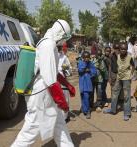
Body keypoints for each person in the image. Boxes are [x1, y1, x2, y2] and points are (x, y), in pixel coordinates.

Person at [11, 19, 75, 147]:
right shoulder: (48, 45)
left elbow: (52, 71)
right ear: (60, 33)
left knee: (59, 123)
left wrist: (67, 85)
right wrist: (61, 101)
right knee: (31, 129)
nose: (64, 40)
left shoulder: (50, 45)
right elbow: (50, 79)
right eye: (65, 37)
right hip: (39, 93)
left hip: (45, 91)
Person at [104, 42, 134, 121]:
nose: (123, 50)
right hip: (118, 78)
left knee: (126, 96)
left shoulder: (130, 57)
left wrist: (131, 74)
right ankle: (113, 110)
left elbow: (133, 66)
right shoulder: (117, 56)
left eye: (125, 49)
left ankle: (127, 113)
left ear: (127, 49)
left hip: (126, 79)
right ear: (119, 50)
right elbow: (112, 66)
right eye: (121, 49)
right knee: (114, 93)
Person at [78, 51, 97, 119]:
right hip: (82, 83)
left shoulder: (91, 63)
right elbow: (80, 70)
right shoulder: (80, 63)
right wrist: (86, 68)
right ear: (83, 57)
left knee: (87, 96)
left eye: (88, 57)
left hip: (88, 83)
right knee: (82, 96)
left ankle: (88, 110)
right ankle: (84, 108)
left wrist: (89, 70)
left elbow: (94, 71)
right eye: (85, 57)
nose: (86, 59)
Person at [57, 44, 73, 122]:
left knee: (65, 98)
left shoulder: (64, 57)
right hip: (53, 81)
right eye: (58, 47)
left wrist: (65, 69)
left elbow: (70, 70)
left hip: (62, 81)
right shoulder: (51, 56)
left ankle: (65, 117)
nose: (59, 49)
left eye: (60, 48)